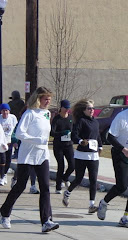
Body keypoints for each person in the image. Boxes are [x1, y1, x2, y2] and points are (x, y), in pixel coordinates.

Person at [0, 86, 59, 232]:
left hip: (42, 155)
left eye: (49, 99)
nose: (48, 101)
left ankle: (46, 221)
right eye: (45, 99)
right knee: (20, 186)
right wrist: (36, 140)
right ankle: (5, 212)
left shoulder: (46, 114)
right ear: (38, 99)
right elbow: (20, 133)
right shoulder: (29, 113)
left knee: (45, 187)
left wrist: (42, 143)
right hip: (27, 155)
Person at [97, 91, 128, 228]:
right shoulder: (122, 117)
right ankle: (104, 202)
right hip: (120, 155)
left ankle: (125, 217)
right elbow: (110, 137)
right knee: (122, 186)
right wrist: (123, 150)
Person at [62, 99, 103, 214]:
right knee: (79, 179)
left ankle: (91, 205)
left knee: (93, 180)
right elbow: (74, 135)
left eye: (93, 108)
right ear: (84, 110)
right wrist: (80, 141)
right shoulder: (81, 121)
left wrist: (100, 146)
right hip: (82, 155)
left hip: (93, 155)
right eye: (89, 109)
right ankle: (67, 193)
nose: (91, 111)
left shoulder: (95, 122)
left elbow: (97, 135)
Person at [50, 99, 74, 194]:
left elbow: (74, 130)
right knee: (61, 166)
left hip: (68, 145)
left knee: (72, 165)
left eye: (68, 108)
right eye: (65, 108)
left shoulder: (71, 118)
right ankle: (58, 187)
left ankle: (65, 177)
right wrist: (61, 133)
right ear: (61, 108)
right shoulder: (57, 119)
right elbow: (52, 133)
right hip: (58, 146)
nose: (67, 110)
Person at [0, 104, 18, 185]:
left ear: (9, 111)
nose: (5, 112)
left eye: (6, 110)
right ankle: (2, 176)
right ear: (1, 111)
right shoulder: (0, 118)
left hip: (9, 141)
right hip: (1, 142)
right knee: (2, 159)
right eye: (3, 110)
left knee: (8, 160)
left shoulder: (12, 118)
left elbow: (15, 129)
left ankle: (4, 174)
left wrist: (15, 140)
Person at [8, 91, 25, 160]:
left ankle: (15, 152)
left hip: (12, 122)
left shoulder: (10, 103)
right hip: (20, 121)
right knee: (19, 138)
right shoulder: (21, 103)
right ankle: (18, 152)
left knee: (13, 137)